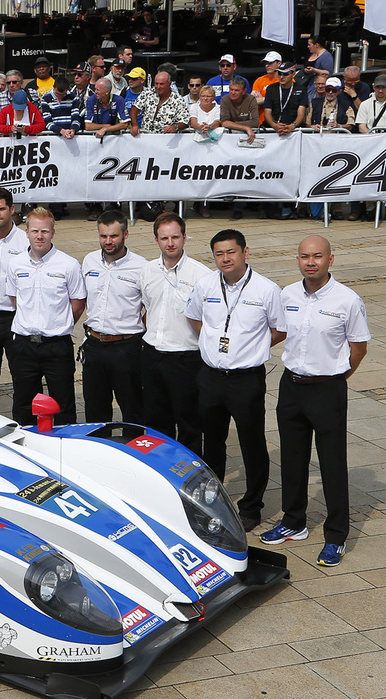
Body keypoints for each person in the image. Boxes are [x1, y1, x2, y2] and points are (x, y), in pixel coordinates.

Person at [260, 235, 370, 567]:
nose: (311, 262)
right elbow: (277, 331)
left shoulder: (347, 301)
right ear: (297, 260)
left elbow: (359, 348)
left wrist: (335, 379)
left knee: (332, 464)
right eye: (305, 256)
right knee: (292, 459)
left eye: (317, 256)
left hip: (328, 390)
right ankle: (294, 522)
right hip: (291, 386)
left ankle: (336, 536)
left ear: (330, 260)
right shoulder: (287, 294)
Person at [185, 229, 286, 531]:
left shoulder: (267, 290)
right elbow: (193, 317)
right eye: (219, 253)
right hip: (211, 377)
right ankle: (212, 500)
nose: (225, 258)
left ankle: (252, 507)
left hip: (246, 380)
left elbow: (279, 329)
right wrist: (212, 341)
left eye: (231, 252)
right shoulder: (205, 284)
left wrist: (253, 347)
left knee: (252, 443)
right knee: (212, 442)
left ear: (245, 252)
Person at [6, 207, 85, 426]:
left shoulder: (68, 265)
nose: (39, 236)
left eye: (44, 231)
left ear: (53, 233)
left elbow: (77, 303)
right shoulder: (15, 264)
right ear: (27, 233)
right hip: (23, 345)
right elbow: (15, 299)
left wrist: (59, 324)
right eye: (34, 231)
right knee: (23, 404)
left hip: (56, 346)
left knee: (63, 404)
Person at [140, 213, 208, 453]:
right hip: (152, 355)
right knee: (156, 423)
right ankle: (161, 470)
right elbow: (147, 307)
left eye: (175, 237)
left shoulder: (201, 275)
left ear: (184, 238)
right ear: (156, 240)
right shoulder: (147, 271)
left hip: (185, 358)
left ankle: (190, 475)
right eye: (164, 238)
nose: (170, 243)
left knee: (189, 422)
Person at [79, 210, 146, 423]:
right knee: (95, 412)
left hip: (127, 349)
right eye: (103, 236)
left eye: (114, 236)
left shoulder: (142, 267)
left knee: (133, 410)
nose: (108, 241)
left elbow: (152, 307)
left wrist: (136, 330)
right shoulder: (89, 261)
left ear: (125, 235)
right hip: (94, 346)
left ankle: (134, 452)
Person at [131, 71, 190, 135]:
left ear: (169, 84)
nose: (158, 87)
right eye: (156, 83)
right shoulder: (148, 93)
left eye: (161, 84)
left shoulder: (178, 100)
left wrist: (175, 127)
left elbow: (185, 121)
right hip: (146, 137)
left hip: (165, 139)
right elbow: (134, 109)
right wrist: (134, 125)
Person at [218, 77, 264, 148]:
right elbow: (224, 123)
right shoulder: (225, 99)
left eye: (236, 90)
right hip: (229, 138)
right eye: (231, 89)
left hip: (249, 137)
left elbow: (255, 122)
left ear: (244, 91)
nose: (233, 93)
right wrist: (246, 128)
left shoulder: (251, 99)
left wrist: (232, 124)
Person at [262, 64, 305, 136]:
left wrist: (292, 126)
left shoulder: (300, 89)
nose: (282, 77)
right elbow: (267, 111)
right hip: (272, 128)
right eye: (279, 74)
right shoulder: (271, 88)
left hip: (293, 130)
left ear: (293, 74)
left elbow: (301, 113)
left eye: (285, 74)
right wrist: (274, 125)